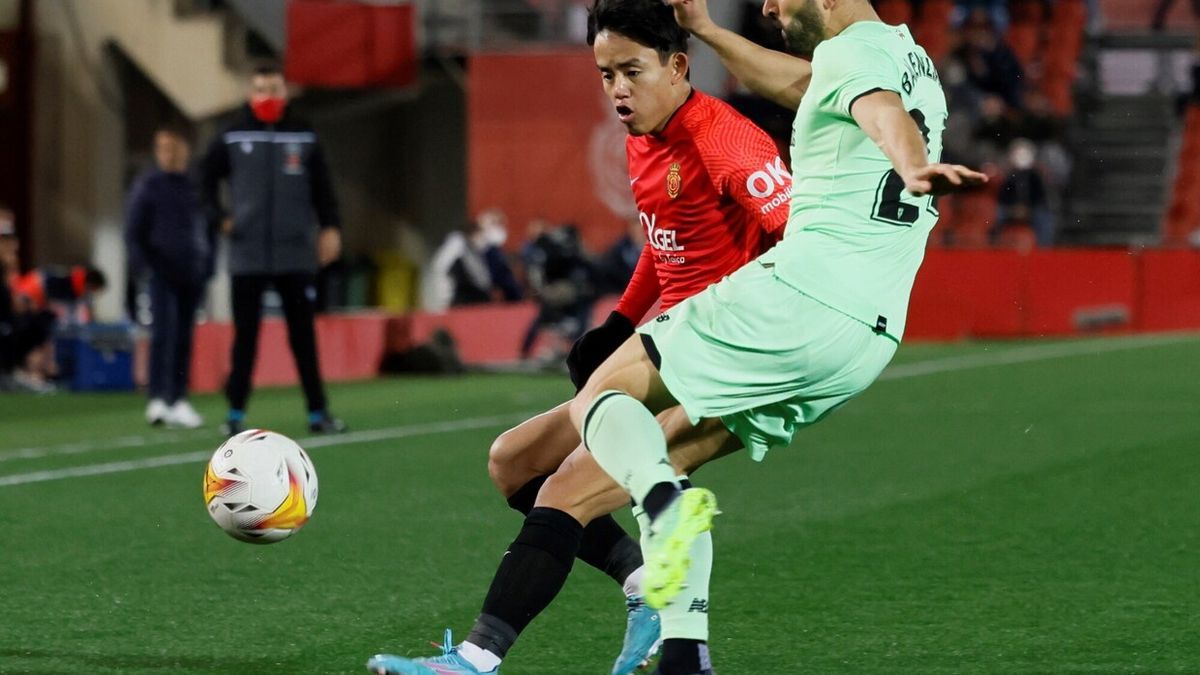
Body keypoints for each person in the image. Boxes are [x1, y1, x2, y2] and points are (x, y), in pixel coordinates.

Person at [366, 2, 793, 674]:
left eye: (631, 71)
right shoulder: (644, 136)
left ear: (678, 66)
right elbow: (664, 241)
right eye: (604, 74)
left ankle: (475, 659)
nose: (617, 89)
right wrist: (621, 322)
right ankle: (640, 586)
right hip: (658, 348)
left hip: (724, 360)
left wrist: (759, 341)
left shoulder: (725, 139)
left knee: (565, 487)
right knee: (513, 462)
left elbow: (800, 240)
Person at [566, 1, 983, 672]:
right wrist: (704, 29)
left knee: (598, 401)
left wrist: (909, 163)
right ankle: (685, 653)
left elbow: (879, 113)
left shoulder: (855, 63)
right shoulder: (909, 60)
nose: (767, 6)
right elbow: (805, 85)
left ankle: (655, 518)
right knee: (663, 448)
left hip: (803, 293)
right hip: (868, 336)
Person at [200, 63, 346, 436]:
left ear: (286, 93)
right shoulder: (231, 136)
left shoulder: (304, 134)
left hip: (294, 255)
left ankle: (318, 413)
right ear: (252, 94)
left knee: (303, 337)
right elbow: (201, 181)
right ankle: (234, 414)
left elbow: (323, 187)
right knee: (245, 340)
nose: (268, 96)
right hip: (247, 257)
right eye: (261, 89)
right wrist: (219, 217)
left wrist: (330, 227)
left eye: (275, 88)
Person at [126, 126, 215, 428]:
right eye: (161, 148)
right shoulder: (149, 186)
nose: (167, 154)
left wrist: (208, 265)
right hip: (161, 272)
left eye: (172, 147)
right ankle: (157, 398)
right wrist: (143, 266)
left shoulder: (195, 186)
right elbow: (134, 230)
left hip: (191, 272)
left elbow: (208, 227)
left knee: (184, 338)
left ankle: (178, 398)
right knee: (162, 335)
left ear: (184, 150)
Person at [422, 210, 522, 312]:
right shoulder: (457, 243)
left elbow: (500, 280)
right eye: (495, 224)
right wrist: (443, 303)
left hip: (478, 302)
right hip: (460, 303)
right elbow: (440, 269)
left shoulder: (487, 252)